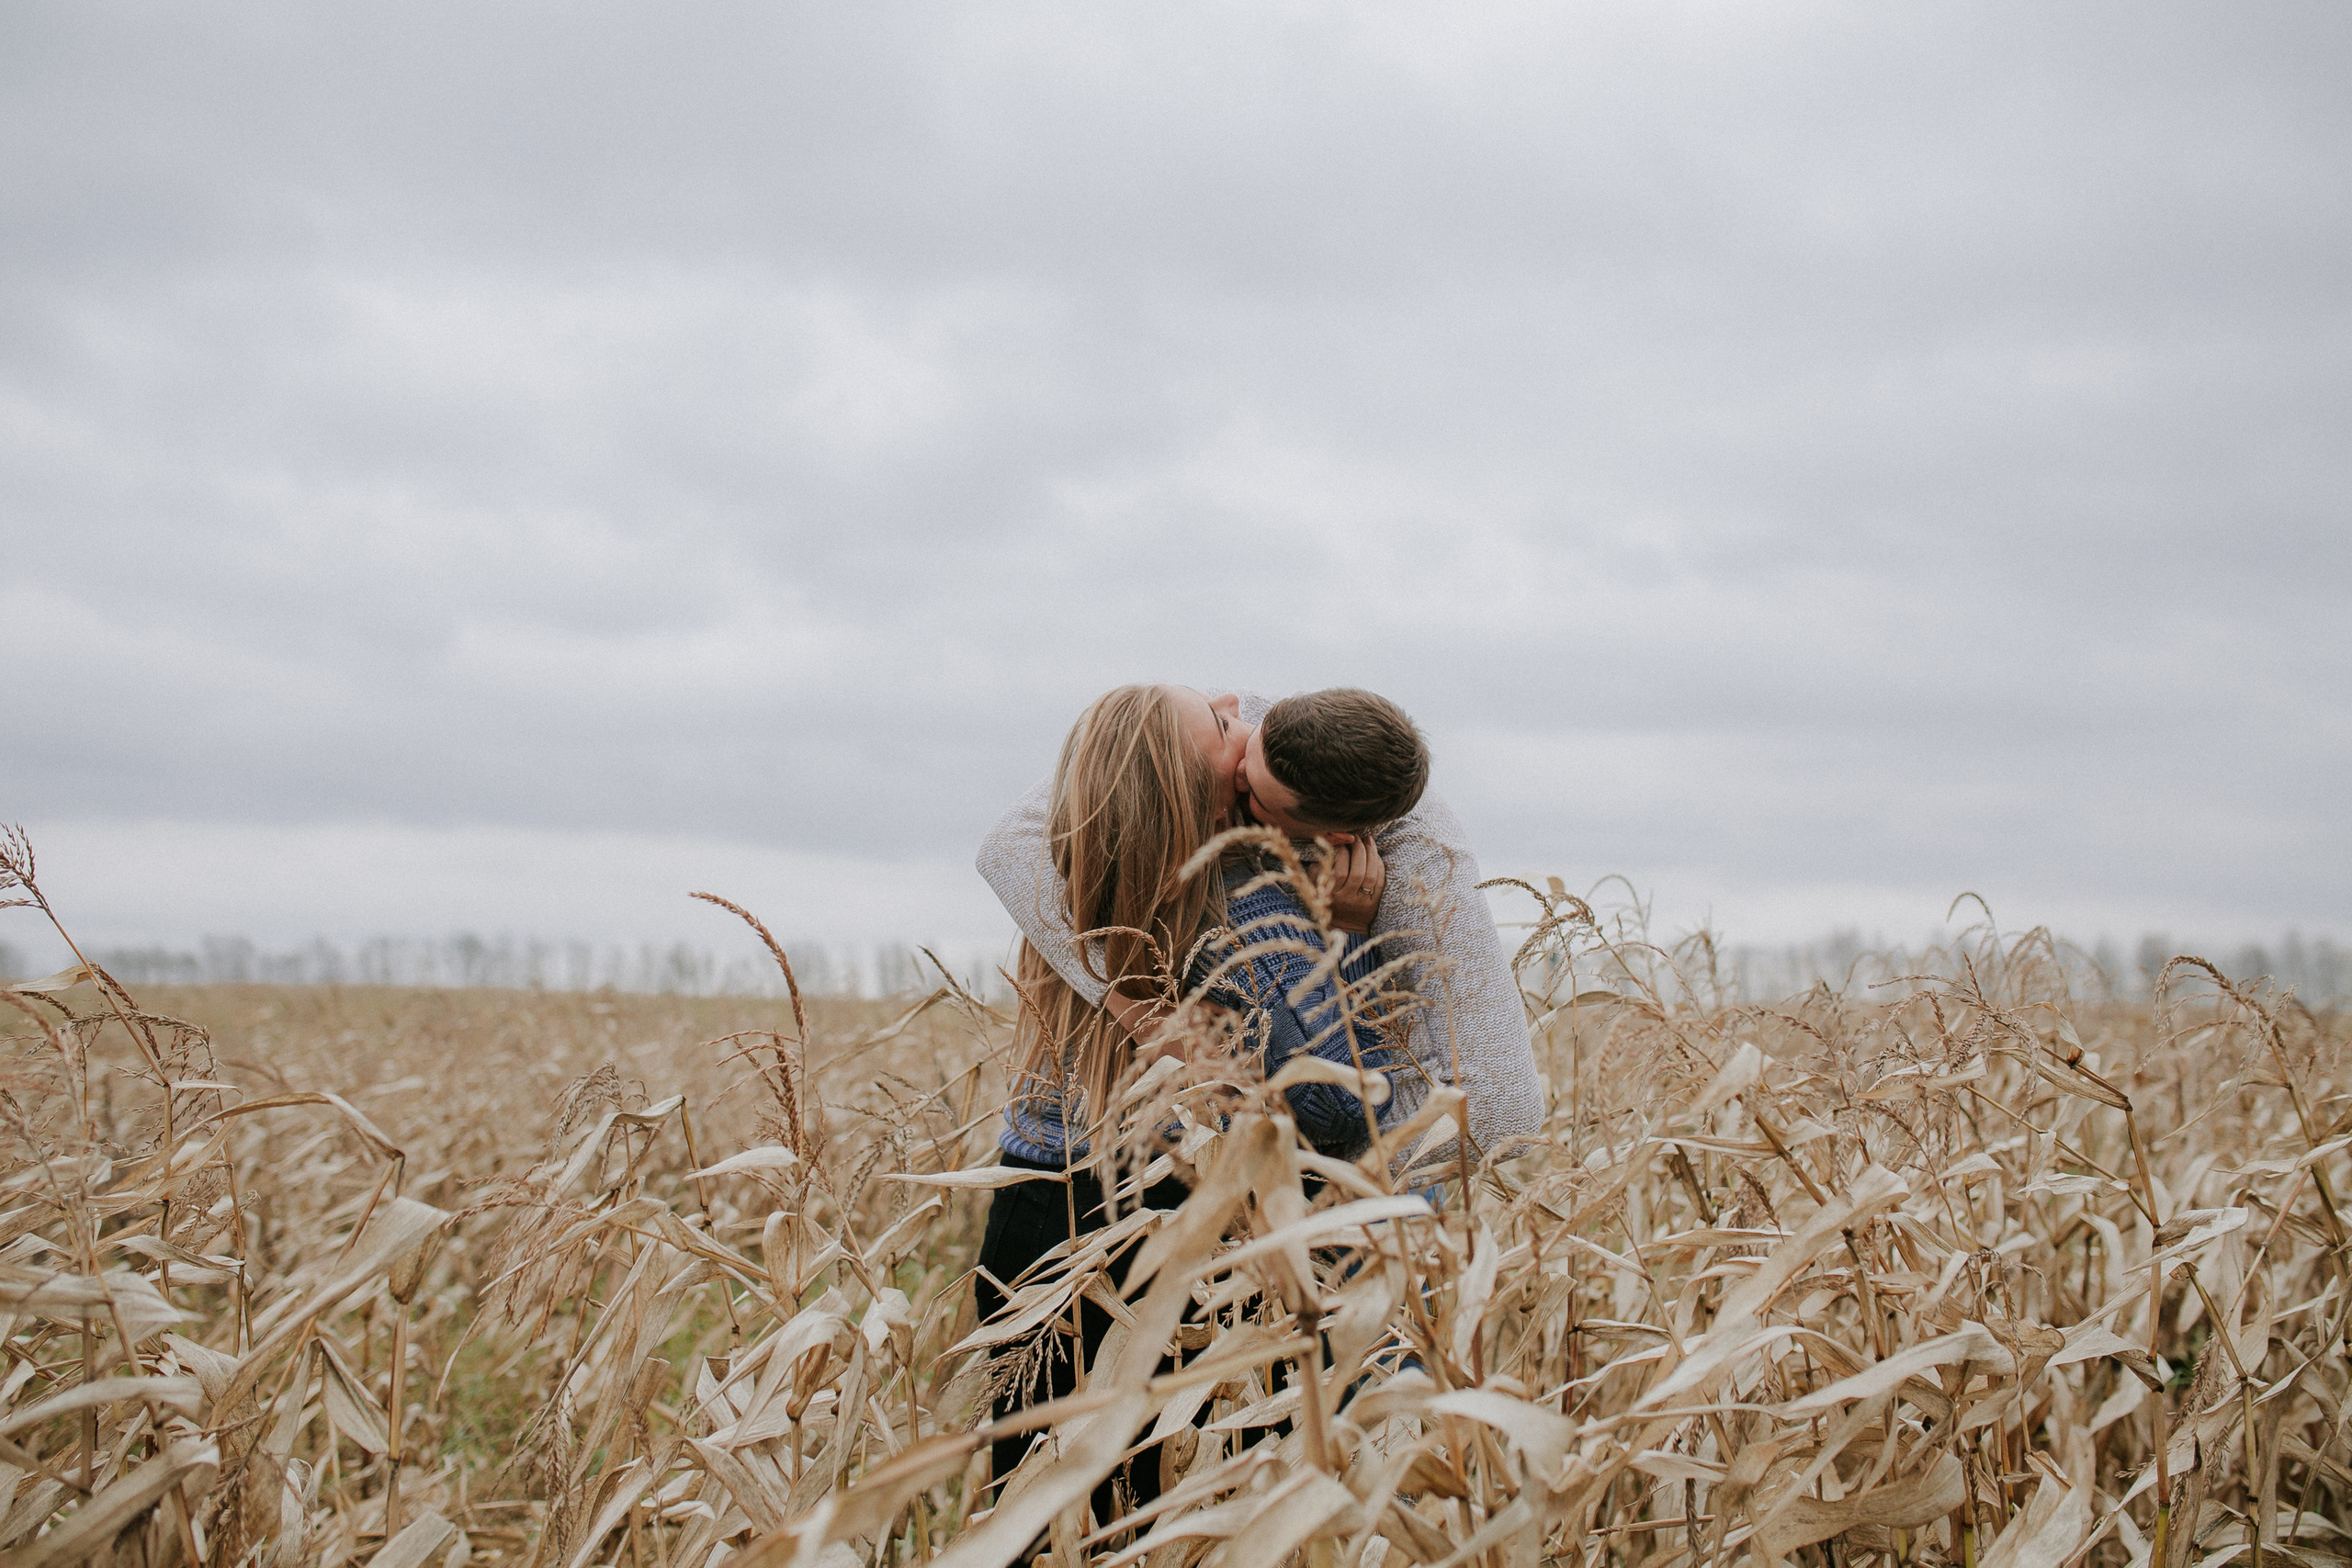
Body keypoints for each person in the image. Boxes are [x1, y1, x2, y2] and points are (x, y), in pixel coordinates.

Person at [974, 683, 1392, 1525]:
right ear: (1205, 812)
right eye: (1224, 724)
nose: (1239, 704)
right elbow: (1336, 1103)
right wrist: (1348, 935)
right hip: (1164, 1219)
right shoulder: (1233, 902)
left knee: (1038, 1509)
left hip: (1032, 1208)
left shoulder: (1066, 879)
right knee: (1169, 1517)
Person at [978, 686, 1544, 1169]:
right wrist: (1144, 1011)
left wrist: (1298, 1181)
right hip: (1067, 1150)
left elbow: (1502, 1110)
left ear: (1334, 835)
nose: (1234, 714)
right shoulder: (1206, 730)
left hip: (1266, 1197)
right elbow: (1008, 844)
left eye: (1249, 794)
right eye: (1234, 728)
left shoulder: (1419, 855)